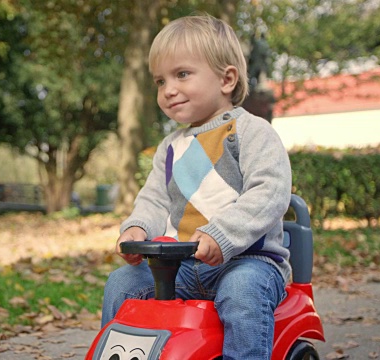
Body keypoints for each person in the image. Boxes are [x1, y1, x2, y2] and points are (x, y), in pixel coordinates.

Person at [101, 14, 292, 360]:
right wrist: (137, 227)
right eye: (160, 81)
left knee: (243, 292)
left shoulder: (252, 132)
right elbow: (155, 201)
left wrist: (222, 233)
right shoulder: (170, 147)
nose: (168, 89)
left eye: (182, 74)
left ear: (226, 79)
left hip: (248, 261)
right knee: (123, 283)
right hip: (183, 268)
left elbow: (270, 192)